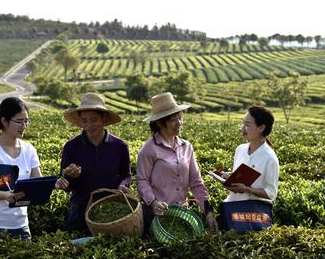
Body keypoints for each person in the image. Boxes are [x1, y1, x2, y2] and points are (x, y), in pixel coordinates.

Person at [0, 97, 66, 240]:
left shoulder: (29, 150)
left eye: (26, 121)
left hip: (19, 226)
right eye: (19, 121)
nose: (24, 126)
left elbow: (37, 181)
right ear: (4, 121)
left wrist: (54, 184)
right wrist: (6, 195)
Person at [136, 92, 218, 234]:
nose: (179, 123)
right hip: (158, 215)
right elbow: (142, 180)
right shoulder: (149, 149)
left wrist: (208, 212)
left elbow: (196, 182)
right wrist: (153, 202)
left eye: (180, 118)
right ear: (160, 123)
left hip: (181, 213)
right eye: (173, 120)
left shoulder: (186, 147)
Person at [58, 92, 131, 233]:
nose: (89, 125)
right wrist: (71, 176)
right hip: (80, 210)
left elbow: (126, 175)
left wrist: (123, 185)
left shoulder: (119, 146)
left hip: (111, 208)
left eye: (94, 120)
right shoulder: (71, 147)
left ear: (103, 120)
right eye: (84, 121)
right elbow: (65, 185)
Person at [219, 105, 279, 232]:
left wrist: (247, 189)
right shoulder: (240, 149)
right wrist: (228, 176)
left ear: (261, 128)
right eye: (242, 123)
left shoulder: (270, 158)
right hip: (232, 208)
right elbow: (240, 175)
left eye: (247, 124)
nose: (242, 128)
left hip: (252, 215)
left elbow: (271, 193)